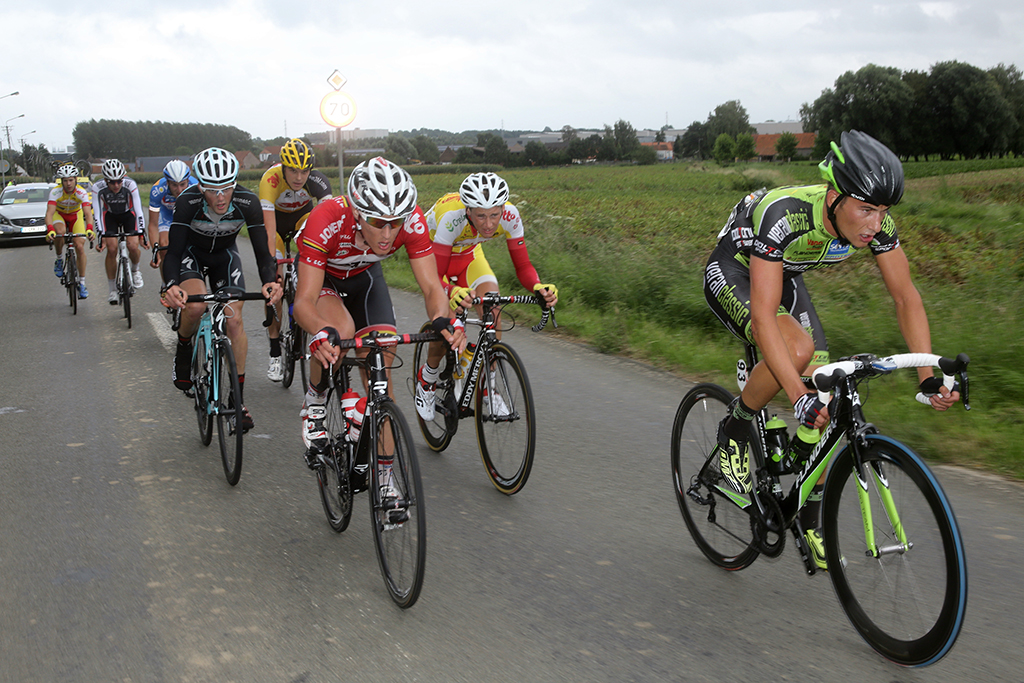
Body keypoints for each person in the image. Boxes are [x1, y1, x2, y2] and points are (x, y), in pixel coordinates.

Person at [702, 130, 959, 569]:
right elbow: (763, 319)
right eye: (866, 210)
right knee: (797, 350)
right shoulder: (785, 215)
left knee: (827, 388)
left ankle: (808, 512)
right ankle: (735, 427)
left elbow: (905, 297)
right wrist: (796, 397)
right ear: (835, 196)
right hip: (734, 270)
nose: (874, 224)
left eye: (883, 211)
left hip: (783, 273)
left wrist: (927, 376)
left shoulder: (876, 224)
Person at [293, 157, 466, 492]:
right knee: (340, 332)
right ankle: (315, 399)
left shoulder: (411, 221)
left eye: (395, 223)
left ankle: (385, 479)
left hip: (365, 278)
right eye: (377, 222)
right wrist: (319, 331)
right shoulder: (327, 218)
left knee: (381, 373)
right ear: (357, 212)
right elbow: (303, 303)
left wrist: (443, 319)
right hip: (323, 277)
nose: (387, 234)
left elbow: (432, 286)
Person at [414, 172, 557, 421]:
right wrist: (452, 291)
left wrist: (537, 286)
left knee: (493, 309)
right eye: (481, 216)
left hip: (469, 256)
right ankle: (427, 379)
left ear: (503, 209)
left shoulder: (511, 215)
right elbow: (436, 277)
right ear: (468, 211)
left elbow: (523, 266)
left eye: (494, 215)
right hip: (433, 257)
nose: (489, 224)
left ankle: (488, 386)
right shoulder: (451, 217)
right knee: (446, 324)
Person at [160, 147, 283, 432]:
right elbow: (174, 252)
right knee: (195, 306)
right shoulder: (188, 201)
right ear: (200, 186)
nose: (220, 197)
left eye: (226, 188)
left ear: (235, 184)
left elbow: (263, 253)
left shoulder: (247, 201)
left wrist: (269, 280)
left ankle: (236, 400)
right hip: (191, 254)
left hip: (224, 258)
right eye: (212, 190)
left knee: (234, 320)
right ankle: (183, 348)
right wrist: (171, 285)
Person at [258, 138, 333, 382]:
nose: (299, 177)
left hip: (303, 220)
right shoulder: (270, 180)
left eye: (304, 171)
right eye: (293, 170)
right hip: (276, 226)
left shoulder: (318, 181)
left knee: (311, 269)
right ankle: (274, 352)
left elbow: (328, 222)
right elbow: (269, 231)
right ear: (283, 167)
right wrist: (272, 266)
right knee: (276, 283)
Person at [92, 159, 148, 304]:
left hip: (128, 215)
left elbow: (138, 210)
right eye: (112, 182)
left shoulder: (130, 184)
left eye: (119, 181)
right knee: (112, 249)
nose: (116, 185)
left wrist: (142, 233)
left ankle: (135, 270)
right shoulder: (97, 187)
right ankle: (112, 290)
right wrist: (101, 235)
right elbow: (97, 213)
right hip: (110, 216)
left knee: (133, 246)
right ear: (105, 180)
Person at [45, 163, 96, 298]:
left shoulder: (81, 192)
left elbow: (88, 213)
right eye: (65, 181)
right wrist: (50, 229)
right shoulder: (55, 192)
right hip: (59, 215)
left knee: (79, 246)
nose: (68, 184)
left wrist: (89, 229)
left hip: (75, 215)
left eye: (71, 180)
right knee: (60, 232)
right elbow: (49, 213)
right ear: (61, 181)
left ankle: (82, 283)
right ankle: (59, 259)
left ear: (76, 180)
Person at [147, 159, 198, 273]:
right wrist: (155, 250)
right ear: (167, 182)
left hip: (188, 216)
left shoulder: (196, 187)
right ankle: (166, 281)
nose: (179, 190)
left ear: (188, 180)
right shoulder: (157, 190)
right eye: (174, 185)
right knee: (164, 247)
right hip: (167, 215)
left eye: (182, 184)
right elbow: (153, 224)